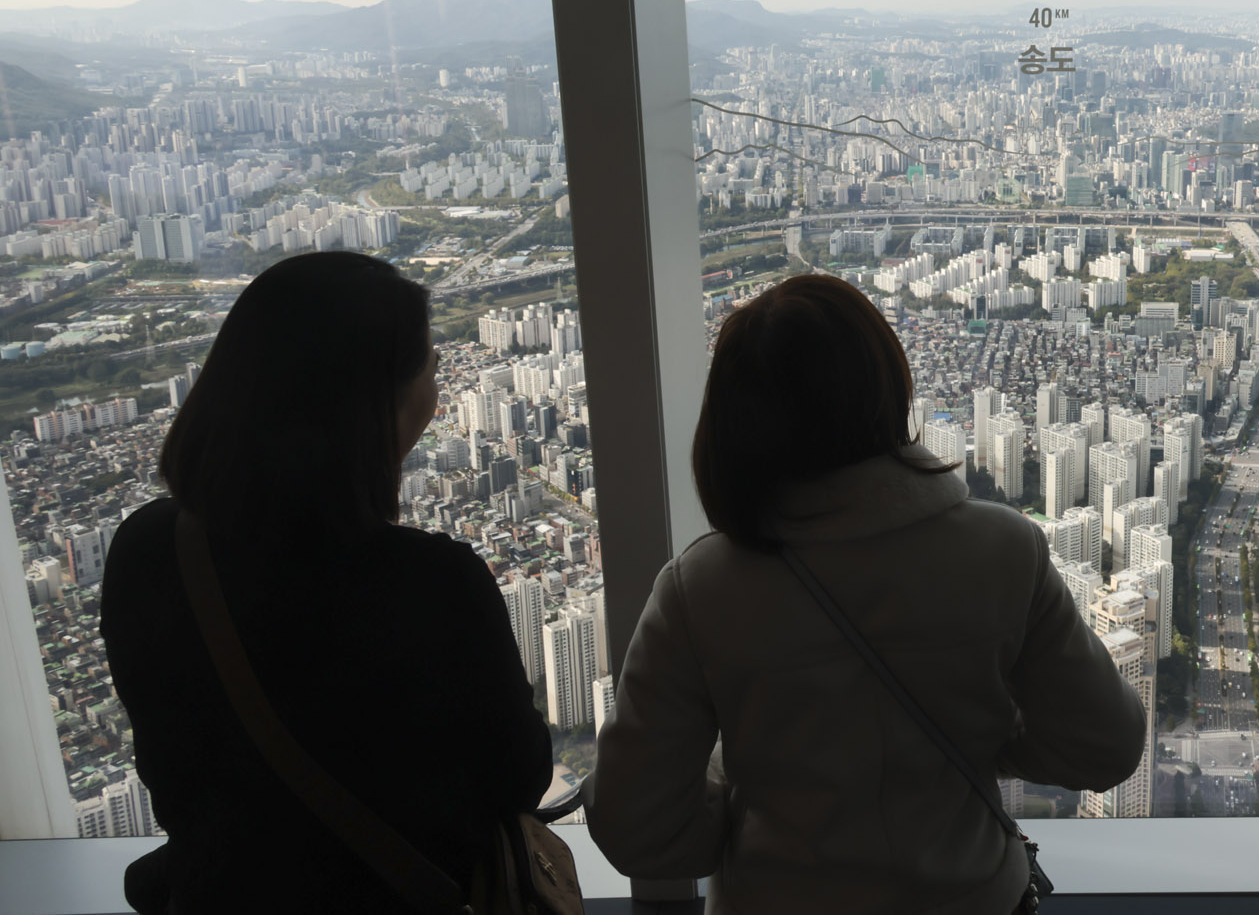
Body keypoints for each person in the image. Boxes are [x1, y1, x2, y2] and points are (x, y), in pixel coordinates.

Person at [587, 274, 1147, 914]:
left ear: (734, 420)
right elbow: (1105, 744)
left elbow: (635, 821)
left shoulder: (700, 588)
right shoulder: (1002, 548)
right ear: (887, 386)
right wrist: (985, 746)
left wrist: (743, 818)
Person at [101, 252, 551, 914]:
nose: (438, 376)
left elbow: (172, 767)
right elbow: (519, 775)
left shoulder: (146, 550)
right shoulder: (433, 583)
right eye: (430, 362)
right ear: (380, 404)